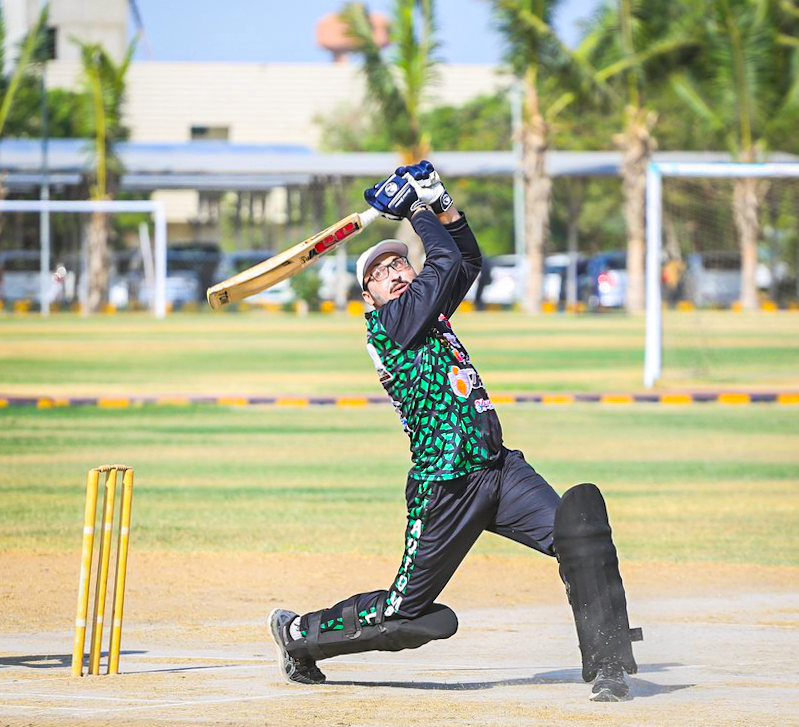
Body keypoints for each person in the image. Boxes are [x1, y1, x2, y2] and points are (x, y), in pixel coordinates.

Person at [268, 162, 641, 702]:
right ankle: (299, 635)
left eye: (399, 263)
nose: (395, 272)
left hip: (500, 470)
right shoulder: (391, 326)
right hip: (445, 486)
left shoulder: (430, 314)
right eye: (380, 273)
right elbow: (441, 260)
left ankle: (608, 664)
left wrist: (441, 203)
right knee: (405, 614)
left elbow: (464, 260)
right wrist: (414, 209)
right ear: (369, 297)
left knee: (579, 536)